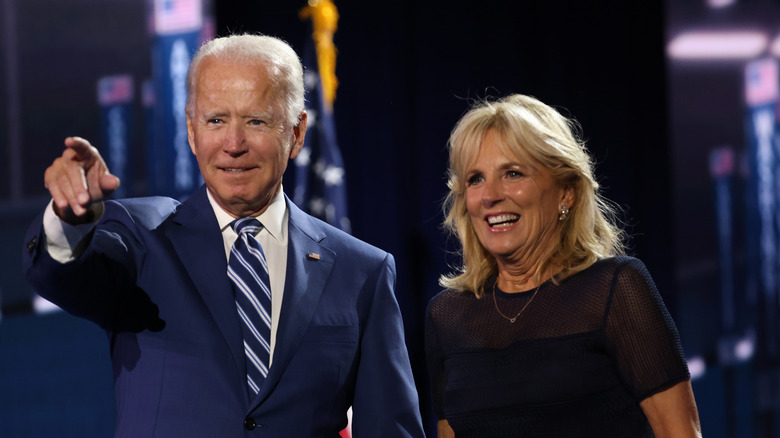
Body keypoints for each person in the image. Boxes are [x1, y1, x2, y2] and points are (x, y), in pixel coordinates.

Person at [23, 34, 425, 437]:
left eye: (256, 121)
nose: (234, 145)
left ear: (297, 133)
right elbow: (61, 277)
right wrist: (69, 216)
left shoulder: (362, 272)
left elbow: (390, 427)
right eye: (216, 120)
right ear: (192, 131)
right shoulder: (141, 236)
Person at [425, 94, 701, 437]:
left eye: (512, 173)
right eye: (475, 179)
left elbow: (680, 433)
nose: (490, 195)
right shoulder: (448, 316)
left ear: (565, 193)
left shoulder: (614, 291)